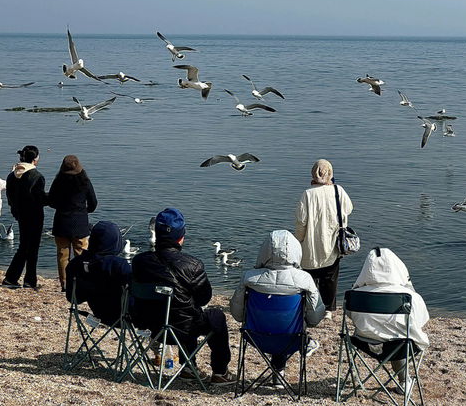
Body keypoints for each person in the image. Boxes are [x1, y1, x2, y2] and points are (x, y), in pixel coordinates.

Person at [131, 207, 236, 385]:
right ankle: (219, 371)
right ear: (181, 237)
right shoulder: (193, 265)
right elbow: (204, 298)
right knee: (213, 315)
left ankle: (189, 369)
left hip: (149, 325)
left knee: (184, 310)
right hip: (182, 331)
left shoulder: (139, 262)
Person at [230, 229, 326, 384]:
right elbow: (315, 317)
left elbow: (238, 314)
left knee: (274, 321)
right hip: (292, 338)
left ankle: (278, 372)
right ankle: (289, 362)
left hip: (255, 336)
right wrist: (308, 322)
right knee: (285, 323)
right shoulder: (304, 280)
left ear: (264, 251)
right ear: (296, 251)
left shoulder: (249, 278)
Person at [349, 247, 429, 390]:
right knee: (402, 335)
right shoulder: (409, 297)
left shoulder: (354, 295)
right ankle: (404, 382)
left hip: (364, 342)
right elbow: (422, 320)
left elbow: (351, 316)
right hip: (400, 346)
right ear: (397, 267)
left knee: (397, 336)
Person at [295, 159, 353, 319]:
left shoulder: (307, 194)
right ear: (330, 173)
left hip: (310, 243)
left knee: (310, 276)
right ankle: (328, 309)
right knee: (330, 276)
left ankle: (311, 307)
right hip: (332, 242)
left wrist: (298, 240)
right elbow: (348, 209)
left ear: (313, 173)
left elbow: (301, 221)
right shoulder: (338, 191)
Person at [66, 220, 131, 326]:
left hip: (99, 314)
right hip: (124, 317)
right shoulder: (119, 266)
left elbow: (73, 298)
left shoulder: (76, 264)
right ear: (116, 241)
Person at [48, 155, 98, 292]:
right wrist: (85, 211)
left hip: (61, 221)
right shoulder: (85, 182)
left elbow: (51, 201)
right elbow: (93, 203)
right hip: (80, 222)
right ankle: (82, 283)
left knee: (62, 255)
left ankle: (65, 284)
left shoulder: (58, 182)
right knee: (82, 255)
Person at [3, 146, 47, 289]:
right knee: (32, 248)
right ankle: (29, 280)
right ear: (35, 159)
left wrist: (14, 211)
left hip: (20, 214)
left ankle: (12, 277)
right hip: (34, 216)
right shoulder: (36, 176)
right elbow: (40, 199)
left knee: (23, 246)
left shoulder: (12, 175)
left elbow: (9, 196)